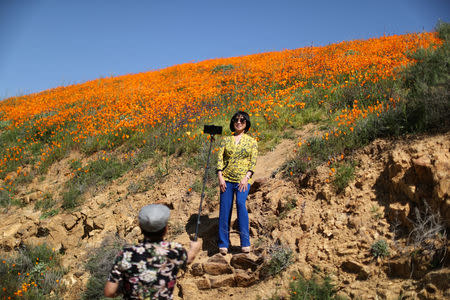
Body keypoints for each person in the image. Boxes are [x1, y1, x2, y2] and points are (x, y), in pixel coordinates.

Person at [104, 204, 202, 299]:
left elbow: (109, 292)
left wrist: (126, 288)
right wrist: (194, 249)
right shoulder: (174, 251)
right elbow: (188, 259)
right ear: (166, 229)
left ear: (141, 228)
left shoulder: (126, 254)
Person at [217, 111, 258, 255]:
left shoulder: (252, 141)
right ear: (232, 122)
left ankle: (245, 242)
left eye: (242, 120)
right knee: (224, 209)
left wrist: (246, 177)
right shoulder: (225, 140)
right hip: (226, 180)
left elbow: (253, 162)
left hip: (242, 180)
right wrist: (220, 176)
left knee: (241, 204)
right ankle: (223, 243)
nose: (238, 122)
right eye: (236, 120)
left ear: (246, 123)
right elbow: (220, 159)